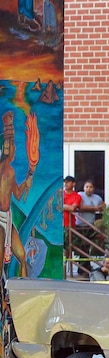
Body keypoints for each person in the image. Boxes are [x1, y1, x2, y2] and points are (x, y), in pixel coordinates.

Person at [0, 111, 35, 276]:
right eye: (11, 145)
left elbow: (18, 195)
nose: (14, 149)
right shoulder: (3, 168)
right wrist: (8, 127)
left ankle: (23, 294)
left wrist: (29, 177)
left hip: (8, 217)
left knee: (22, 256)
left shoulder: (11, 171)